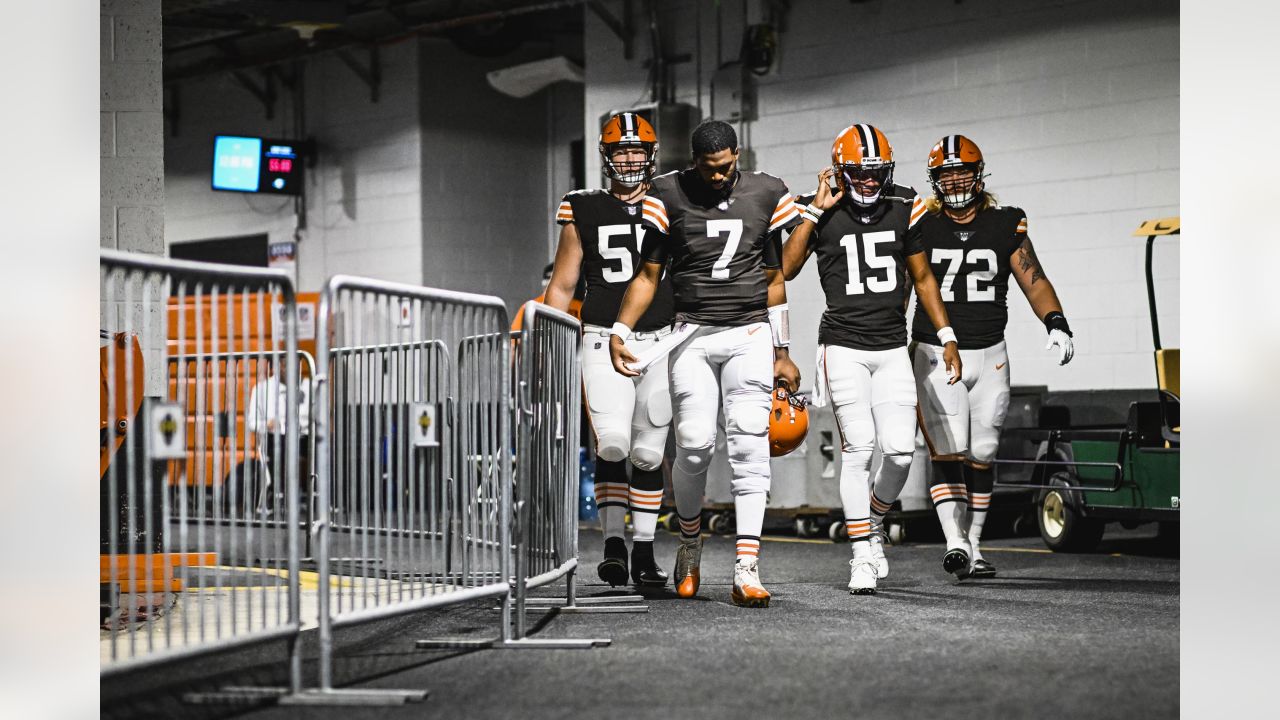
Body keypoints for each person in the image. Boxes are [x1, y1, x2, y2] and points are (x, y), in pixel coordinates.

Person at [609, 120, 802, 608]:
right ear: (694, 161)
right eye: (709, 169)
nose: (719, 177)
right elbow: (649, 274)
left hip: (750, 331)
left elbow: (776, 278)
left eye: (726, 166)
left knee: (749, 437)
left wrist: (782, 351)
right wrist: (620, 330)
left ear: (738, 154)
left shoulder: (766, 191)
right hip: (691, 333)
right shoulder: (667, 193)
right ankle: (690, 541)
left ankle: (747, 566)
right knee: (694, 444)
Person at [784, 123, 960, 594]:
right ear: (840, 171)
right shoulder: (820, 206)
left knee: (901, 452)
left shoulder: (905, 203)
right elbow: (785, 268)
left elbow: (923, 279)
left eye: (875, 172)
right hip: (842, 345)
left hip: (889, 345)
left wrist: (945, 334)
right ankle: (860, 553)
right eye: (858, 173)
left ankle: (874, 520)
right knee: (860, 448)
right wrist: (813, 214)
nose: (867, 182)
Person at [909, 134, 1076, 578]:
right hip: (935, 351)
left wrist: (1055, 321)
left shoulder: (1006, 222)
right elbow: (902, 286)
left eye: (963, 170)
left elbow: (1033, 278)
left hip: (991, 353)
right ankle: (955, 542)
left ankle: (976, 544)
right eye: (947, 173)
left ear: (979, 173)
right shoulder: (919, 222)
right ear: (935, 180)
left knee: (982, 452)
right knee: (948, 450)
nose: (957, 180)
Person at [543, 112, 676, 587]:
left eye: (637, 150)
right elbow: (562, 285)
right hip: (601, 335)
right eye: (621, 151)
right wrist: (549, 344)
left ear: (652, 153)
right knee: (613, 441)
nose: (630, 159)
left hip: (659, 340)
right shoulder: (582, 206)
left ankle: (643, 550)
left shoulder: (669, 201)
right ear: (606, 156)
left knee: (647, 452)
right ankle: (613, 543)